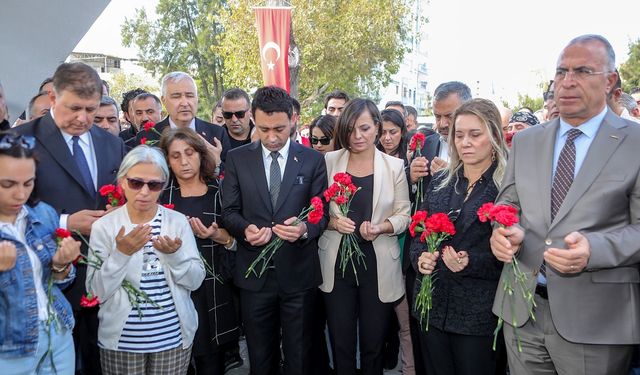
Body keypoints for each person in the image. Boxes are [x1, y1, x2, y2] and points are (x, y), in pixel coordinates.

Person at [490, 34, 640, 374]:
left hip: (597, 321)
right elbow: (507, 204)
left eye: (583, 71)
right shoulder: (526, 141)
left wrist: (595, 249)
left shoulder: (635, 143)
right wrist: (503, 230)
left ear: (610, 80)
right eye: (561, 71)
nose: (567, 81)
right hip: (521, 312)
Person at [15, 61, 126, 375]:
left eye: (91, 109)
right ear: (52, 97)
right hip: (48, 279)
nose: (84, 118)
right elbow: (7, 211)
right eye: (75, 108)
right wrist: (64, 223)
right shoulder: (20, 140)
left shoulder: (112, 144)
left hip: (106, 279)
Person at [222, 86, 328, 375]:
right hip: (254, 278)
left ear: (293, 119)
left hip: (299, 277)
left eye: (279, 128)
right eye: (264, 128)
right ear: (253, 120)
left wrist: (305, 228)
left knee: (299, 358)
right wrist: (246, 230)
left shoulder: (312, 160)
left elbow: (322, 213)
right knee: (260, 358)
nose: (271, 137)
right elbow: (228, 212)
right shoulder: (237, 159)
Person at [87, 145, 205, 374]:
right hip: (121, 343)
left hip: (172, 339)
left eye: (154, 185)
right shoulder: (105, 227)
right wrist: (121, 254)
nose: (144, 192)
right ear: (122, 182)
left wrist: (175, 255)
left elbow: (195, 281)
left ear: (163, 186)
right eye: (136, 183)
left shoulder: (177, 222)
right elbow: (95, 292)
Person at [411, 98, 507, 375]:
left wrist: (471, 261)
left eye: (475, 135)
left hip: (478, 314)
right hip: (431, 306)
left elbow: (513, 253)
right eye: (459, 135)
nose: (465, 142)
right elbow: (419, 233)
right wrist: (421, 258)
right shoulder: (441, 183)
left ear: (494, 136)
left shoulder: (506, 188)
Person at [320, 98, 410, 375]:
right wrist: (334, 222)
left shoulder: (394, 166)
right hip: (337, 265)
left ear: (377, 128)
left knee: (373, 344)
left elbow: (404, 214)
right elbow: (316, 209)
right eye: (350, 129)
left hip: (378, 264)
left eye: (365, 128)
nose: (357, 136)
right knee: (341, 343)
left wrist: (381, 227)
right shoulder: (328, 161)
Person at [158, 128, 240, 374]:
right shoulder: (161, 196)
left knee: (210, 362)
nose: (184, 161)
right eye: (175, 156)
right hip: (171, 288)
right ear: (166, 161)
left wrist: (217, 235)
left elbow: (236, 243)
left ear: (201, 155)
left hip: (213, 288)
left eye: (190, 153)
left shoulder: (221, 191)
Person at [0, 132, 82, 374]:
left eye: (28, 183)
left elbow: (58, 280)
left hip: (58, 333)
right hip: (9, 348)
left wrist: (61, 265)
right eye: (8, 184)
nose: (20, 194)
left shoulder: (43, 213)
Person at [135, 72, 230, 163]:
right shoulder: (147, 137)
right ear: (164, 100)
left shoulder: (217, 134)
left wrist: (216, 162)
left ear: (197, 98)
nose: (185, 103)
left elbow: (229, 174)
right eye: (176, 97)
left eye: (190, 96)